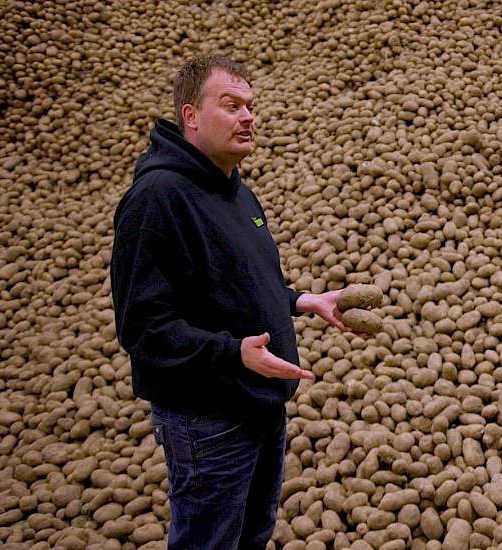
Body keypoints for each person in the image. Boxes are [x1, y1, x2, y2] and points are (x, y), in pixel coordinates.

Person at [111, 55, 352, 549]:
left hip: (261, 403)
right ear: (190, 116)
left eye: (250, 106)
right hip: (209, 419)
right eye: (231, 105)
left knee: (251, 536)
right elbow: (142, 327)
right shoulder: (158, 197)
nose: (248, 116)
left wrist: (301, 301)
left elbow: (234, 284)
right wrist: (232, 353)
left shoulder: (233, 190)